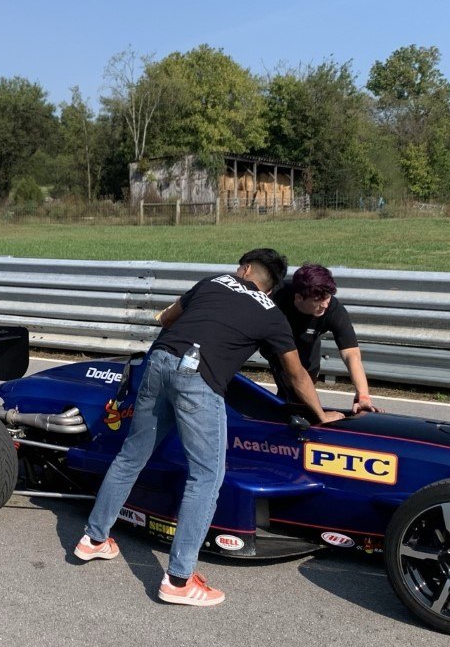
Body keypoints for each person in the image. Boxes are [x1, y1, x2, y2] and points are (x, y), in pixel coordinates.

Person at [73, 249, 345, 607]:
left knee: (131, 456)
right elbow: (295, 374)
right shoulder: (273, 315)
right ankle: (179, 580)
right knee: (206, 477)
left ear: (246, 270)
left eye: (239, 266)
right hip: (197, 378)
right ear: (270, 285)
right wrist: (321, 414)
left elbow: (166, 318)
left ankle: (93, 540)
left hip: (160, 363)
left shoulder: (213, 282)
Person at [271, 262, 376, 415]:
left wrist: (363, 395)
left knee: (299, 399)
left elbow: (351, 354)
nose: (325, 304)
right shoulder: (276, 298)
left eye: (328, 297)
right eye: (318, 300)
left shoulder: (333, 308)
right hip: (276, 347)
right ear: (299, 297)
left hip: (307, 350)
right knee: (290, 389)